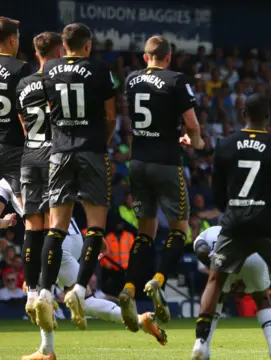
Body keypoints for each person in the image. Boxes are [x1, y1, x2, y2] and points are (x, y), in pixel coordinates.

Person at [193, 93, 271, 360]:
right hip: (269, 225)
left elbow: (218, 194)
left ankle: (200, 342)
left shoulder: (224, 145)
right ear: (268, 116)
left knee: (215, 279)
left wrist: (234, 212)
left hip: (234, 223)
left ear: (243, 112)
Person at [0, 179, 167, 360]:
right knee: (84, 300)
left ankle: (47, 350)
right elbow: (78, 196)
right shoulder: (43, 160)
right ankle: (141, 320)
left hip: (51, 242)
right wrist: (95, 234)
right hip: (73, 234)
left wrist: (4, 222)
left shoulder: (5, 180)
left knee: (39, 292)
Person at [118, 35, 203, 331]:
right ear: (168, 57)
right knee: (180, 228)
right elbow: (191, 124)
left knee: (145, 232)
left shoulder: (131, 79)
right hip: (166, 163)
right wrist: (196, 141)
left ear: (145, 57)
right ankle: (158, 280)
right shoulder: (176, 80)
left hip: (138, 163)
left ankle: (129, 287)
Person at [39, 23, 116, 331]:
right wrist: (102, 143)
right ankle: (80, 290)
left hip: (59, 153)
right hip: (92, 152)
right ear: (87, 45)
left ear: (64, 45)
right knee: (95, 226)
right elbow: (111, 115)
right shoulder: (100, 69)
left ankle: (44, 292)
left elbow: (47, 108)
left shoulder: (49, 68)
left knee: (55, 227)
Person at [15, 31, 62, 326]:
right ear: (58, 51)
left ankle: (31, 293)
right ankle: (47, 292)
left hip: (29, 155)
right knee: (52, 227)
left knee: (31, 225)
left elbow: (23, 124)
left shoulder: (22, 84)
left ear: (36, 54)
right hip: (55, 156)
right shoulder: (58, 82)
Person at [191, 226, 271, 359]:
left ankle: (202, 345)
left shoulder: (207, 232)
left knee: (216, 296)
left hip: (223, 258)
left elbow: (202, 251)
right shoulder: (253, 228)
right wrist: (259, 276)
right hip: (254, 257)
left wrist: (214, 270)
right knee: (262, 300)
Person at [0, 17, 30, 203]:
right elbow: (26, 109)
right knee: (30, 211)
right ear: (12, 40)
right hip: (14, 147)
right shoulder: (20, 68)